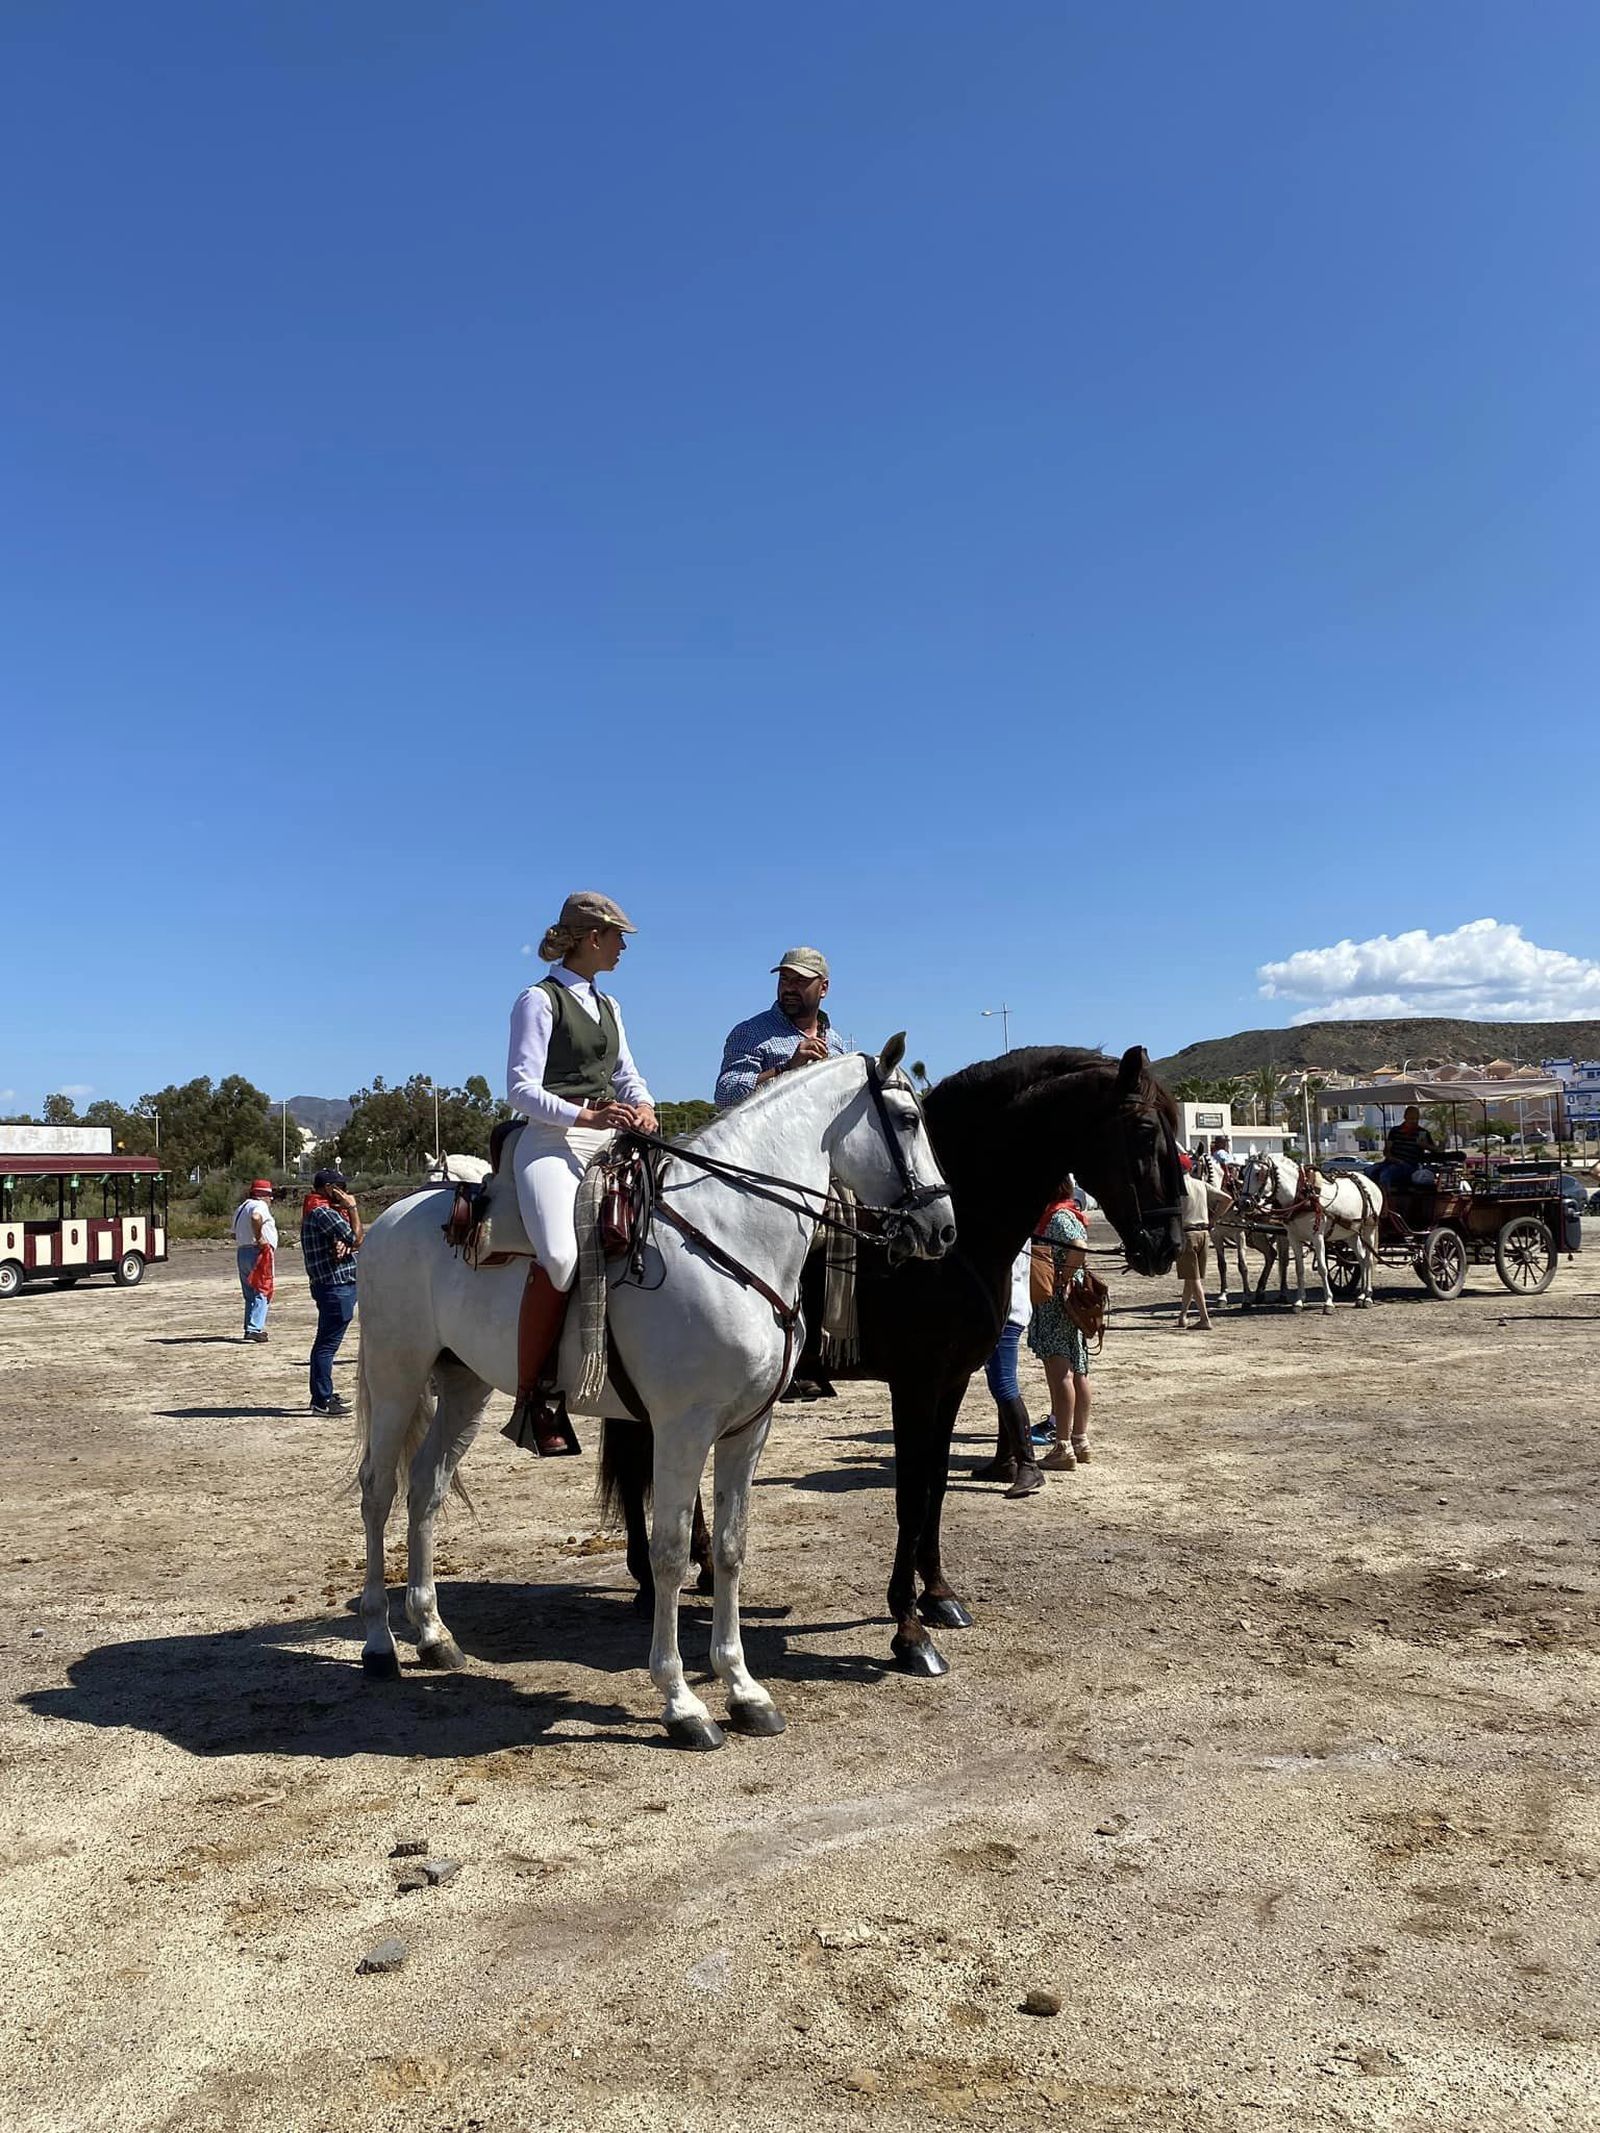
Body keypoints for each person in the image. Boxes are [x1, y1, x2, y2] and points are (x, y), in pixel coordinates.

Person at [505, 891, 657, 1455]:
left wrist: (642, 1105)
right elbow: (520, 1089)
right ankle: (535, 1394)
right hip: (549, 1141)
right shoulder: (538, 1000)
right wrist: (583, 1113)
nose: (623, 947)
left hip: (610, 1139)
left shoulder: (610, 1006)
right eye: (619, 937)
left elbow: (627, 1073)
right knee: (564, 1258)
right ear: (593, 938)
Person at [715, 947, 848, 1399]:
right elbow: (726, 1095)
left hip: (825, 1168)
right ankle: (791, 1357)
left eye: (800, 980)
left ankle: (840, 1348)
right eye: (784, 979)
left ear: (823, 988)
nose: (789, 987)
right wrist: (785, 1069)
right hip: (766, 1170)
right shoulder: (752, 1034)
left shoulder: (842, 1044)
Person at [1028, 1181, 1094, 1471]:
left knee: (1061, 1373)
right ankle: (1080, 1440)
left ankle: (1063, 1445)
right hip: (1068, 1302)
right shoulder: (1070, 1213)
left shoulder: (1057, 1217)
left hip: (1057, 1303)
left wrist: (1063, 1278)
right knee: (1078, 1370)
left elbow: (1078, 1247)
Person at [972, 1243, 1045, 1498]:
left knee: (1003, 1385)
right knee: (1001, 1384)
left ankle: (1029, 1464)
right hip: (1005, 1308)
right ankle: (1005, 1460)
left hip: (1005, 1312)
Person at [302, 1168, 364, 1417]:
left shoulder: (317, 1210)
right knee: (326, 1346)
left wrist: (347, 1241)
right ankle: (322, 1399)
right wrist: (353, 1208)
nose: (346, 1193)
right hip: (336, 1286)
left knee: (326, 1343)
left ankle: (323, 1393)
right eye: (341, 1188)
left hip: (331, 1284)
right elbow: (357, 1238)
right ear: (329, 1188)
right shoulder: (323, 1212)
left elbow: (350, 1240)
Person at [232, 1178, 277, 1343]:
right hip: (258, 1251)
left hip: (242, 1250)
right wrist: (260, 1238)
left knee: (250, 1292)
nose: (271, 1199)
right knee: (262, 1289)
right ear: (261, 1195)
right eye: (269, 1195)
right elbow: (256, 1217)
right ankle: (254, 1328)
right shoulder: (259, 1206)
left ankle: (249, 1326)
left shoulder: (241, 1207)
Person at [1376, 1106, 1439, 1195]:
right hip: (1392, 1162)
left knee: (1385, 1174)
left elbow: (1436, 1150)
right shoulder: (1395, 1131)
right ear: (1405, 1117)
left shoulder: (1422, 1132)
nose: (1414, 1121)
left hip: (1410, 1164)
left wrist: (1426, 1146)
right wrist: (1390, 1155)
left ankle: (1387, 1202)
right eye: (1411, 1118)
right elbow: (1386, 1152)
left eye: (1416, 1119)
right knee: (1370, 1171)